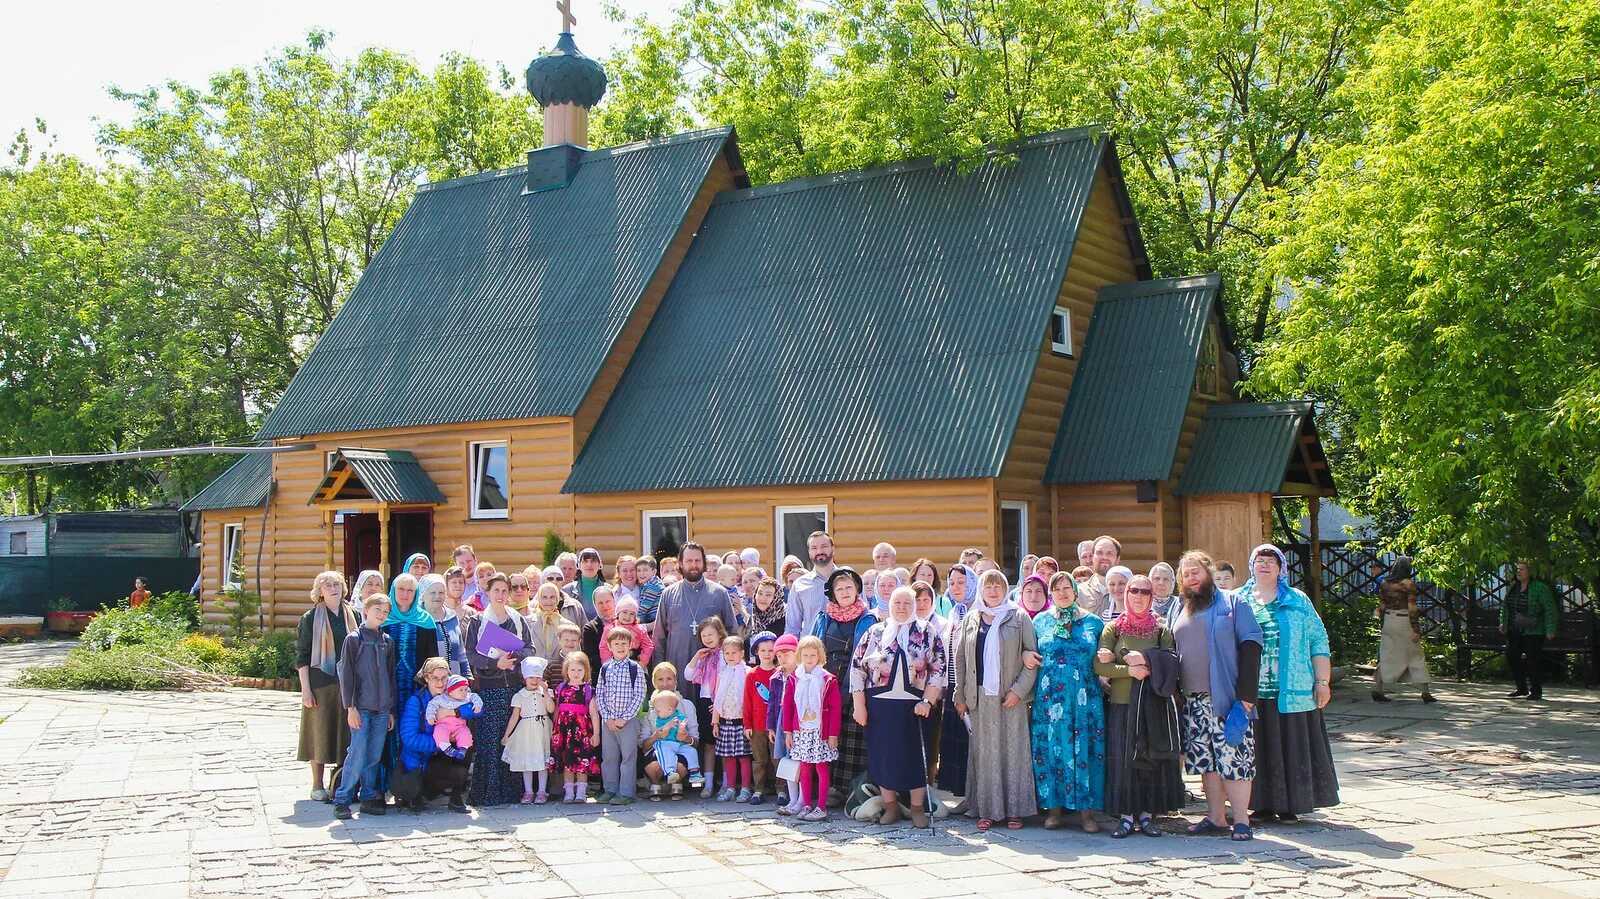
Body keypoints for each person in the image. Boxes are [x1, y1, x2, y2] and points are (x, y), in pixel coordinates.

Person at [1238, 544, 1340, 823]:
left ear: (1281, 568)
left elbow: (1318, 640)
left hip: (1293, 690)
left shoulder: (1298, 600)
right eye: (1259, 559)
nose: (1265, 565)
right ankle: (1259, 804)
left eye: (1272, 561)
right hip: (1251, 690)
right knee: (1257, 746)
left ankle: (1289, 804)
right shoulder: (1238, 600)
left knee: (1290, 745)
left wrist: (1322, 681)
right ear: (1251, 565)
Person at [1173, 550, 1263, 841]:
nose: (1191, 577)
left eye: (1196, 570)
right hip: (1193, 700)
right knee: (1206, 760)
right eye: (1186, 573)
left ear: (1209, 572)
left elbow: (1252, 645)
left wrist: (1247, 697)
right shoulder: (1180, 608)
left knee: (1235, 759)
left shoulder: (1234, 602)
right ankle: (1215, 817)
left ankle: (1241, 821)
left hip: (1226, 699)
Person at [1095, 574, 1183, 837]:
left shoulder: (1160, 629)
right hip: (1122, 704)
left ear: (1151, 596)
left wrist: (1144, 660)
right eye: (1134, 590)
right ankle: (1125, 817)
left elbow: (1171, 663)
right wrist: (1129, 670)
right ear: (1126, 593)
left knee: (1150, 761)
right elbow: (1099, 665)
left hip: (1153, 704)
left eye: (1145, 592)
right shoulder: (1114, 628)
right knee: (1123, 761)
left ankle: (1146, 816)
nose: (1138, 596)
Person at [850, 585, 945, 828]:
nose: (901, 608)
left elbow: (938, 669)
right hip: (879, 705)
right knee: (884, 755)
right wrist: (859, 706)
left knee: (914, 756)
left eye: (906, 603)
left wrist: (927, 701)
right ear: (889, 605)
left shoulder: (927, 631)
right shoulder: (875, 632)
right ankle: (890, 807)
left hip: (915, 706)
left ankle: (916, 809)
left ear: (914, 606)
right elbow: (857, 669)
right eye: (897, 603)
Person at [953, 569, 1039, 831]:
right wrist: (960, 696)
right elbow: (961, 660)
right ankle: (987, 809)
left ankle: (1015, 810)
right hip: (979, 696)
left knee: (1014, 752)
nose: (993, 591)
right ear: (981, 590)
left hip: (1010, 695)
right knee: (985, 754)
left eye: (998, 586)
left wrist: (1018, 691)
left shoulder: (1018, 616)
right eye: (988, 587)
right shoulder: (971, 618)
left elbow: (1031, 658)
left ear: (1005, 589)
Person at [1032, 571, 1105, 832]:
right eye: (1057, 589)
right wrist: (1025, 656)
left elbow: (1102, 657)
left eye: (1067, 588)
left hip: (1085, 699)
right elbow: (1030, 651)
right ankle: (1054, 810)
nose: (1062, 593)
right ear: (1051, 594)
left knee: (1085, 749)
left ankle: (1087, 814)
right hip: (1050, 700)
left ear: (1075, 591)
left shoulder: (1094, 623)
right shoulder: (1040, 621)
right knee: (1053, 750)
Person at [462, 574, 532, 806]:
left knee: (511, 740)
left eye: (505, 591)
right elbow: (470, 654)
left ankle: (511, 792)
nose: (501, 595)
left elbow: (529, 649)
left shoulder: (517, 620)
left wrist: (512, 656)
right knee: (489, 742)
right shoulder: (477, 621)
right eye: (496, 591)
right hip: (489, 689)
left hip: (513, 687)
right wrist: (495, 663)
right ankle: (488, 793)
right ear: (488, 593)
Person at [810, 567, 877, 795]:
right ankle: (828, 788)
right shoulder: (823, 618)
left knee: (851, 737)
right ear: (833, 593)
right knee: (828, 733)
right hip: (826, 685)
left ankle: (851, 789)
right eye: (840, 588)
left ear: (857, 590)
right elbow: (811, 648)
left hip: (856, 685)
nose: (845, 591)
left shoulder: (869, 619)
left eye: (849, 587)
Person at [332, 593, 396, 820]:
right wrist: (350, 707)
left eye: (385, 611)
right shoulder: (354, 639)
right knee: (357, 754)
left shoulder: (387, 641)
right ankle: (342, 799)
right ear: (366, 610)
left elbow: (391, 676)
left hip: (381, 709)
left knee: (373, 755)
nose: (381, 614)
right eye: (377, 609)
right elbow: (346, 675)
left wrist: (390, 709)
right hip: (361, 707)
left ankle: (368, 796)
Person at [655, 542, 737, 708]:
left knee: (708, 723)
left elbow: (732, 633)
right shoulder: (668, 594)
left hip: (712, 672)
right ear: (680, 563)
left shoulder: (719, 593)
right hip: (678, 666)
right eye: (689, 561)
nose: (694, 565)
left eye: (698, 561)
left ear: (704, 563)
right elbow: (659, 638)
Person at [297, 571, 355, 802]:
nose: (333, 588)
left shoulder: (354, 615)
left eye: (337, 584)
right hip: (321, 684)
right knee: (319, 734)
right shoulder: (310, 618)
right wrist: (306, 690)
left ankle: (341, 782)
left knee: (346, 735)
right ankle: (317, 785)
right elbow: (302, 656)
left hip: (348, 684)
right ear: (319, 591)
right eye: (327, 585)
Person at [396, 657, 475, 814]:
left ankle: (455, 798)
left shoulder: (453, 695)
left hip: (441, 755)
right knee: (454, 758)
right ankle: (419, 794)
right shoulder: (416, 701)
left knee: (467, 744)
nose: (440, 683)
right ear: (426, 678)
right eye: (435, 678)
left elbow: (475, 707)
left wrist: (454, 712)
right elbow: (409, 738)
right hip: (423, 759)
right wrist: (441, 742)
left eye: (444, 678)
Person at [382, 573, 439, 792]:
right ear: (393, 592)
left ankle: (413, 788)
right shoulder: (384, 619)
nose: (405, 595)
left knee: (415, 735)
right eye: (401, 590)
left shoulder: (425, 620)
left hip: (416, 690)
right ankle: (387, 785)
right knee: (389, 735)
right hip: (388, 689)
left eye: (410, 591)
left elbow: (432, 659)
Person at [783, 635, 842, 822]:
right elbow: (788, 706)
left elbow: (835, 709)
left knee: (821, 768)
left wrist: (833, 734)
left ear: (820, 656)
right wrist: (788, 731)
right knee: (805, 768)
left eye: (813, 655)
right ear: (800, 655)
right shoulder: (794, 678)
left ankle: (821, 806)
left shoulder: (827, 679)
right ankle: (806, 803)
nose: (809, 659)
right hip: (801, 730)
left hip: (820, 731)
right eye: (806, 655)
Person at [936, 563, 978, 797]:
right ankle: (963, 796)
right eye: (951, 583)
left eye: (961, 582)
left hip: (972, 687)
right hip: (953, 686)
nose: (955, 587)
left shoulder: (980, 611)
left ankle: (977, 797)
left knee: (973, 745)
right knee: (957, 742)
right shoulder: (954, 611)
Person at [596, 628, 648, 805]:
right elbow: (600, 694)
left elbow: (639, 695)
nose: (620, 647)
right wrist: (607, 717)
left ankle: (626, 792)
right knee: (609, 757)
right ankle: (610, 789)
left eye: (623, 643)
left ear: (630, 646)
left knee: (628, 757)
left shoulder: (635, 669)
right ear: (609, 646)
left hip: (628, 721)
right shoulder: (605, 669)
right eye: (616, 644)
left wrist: (624, 718)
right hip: (608, 722)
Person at [1373, 556, 1435, 703]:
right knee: (1415, 655)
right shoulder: (1408, 584)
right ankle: (1426, 692)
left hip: (1389, 620)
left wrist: (1384, 624)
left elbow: (1381, 607)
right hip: (1404, 621)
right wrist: (1416, 629)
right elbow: (1412, 608)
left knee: (1388, 654)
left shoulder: (1385, 583)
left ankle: (1377, 688)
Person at [643, 662, 704, 800]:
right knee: (654, 765)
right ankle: (655, 784)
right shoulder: (649, 708)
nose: (665, 684)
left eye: (669, 679)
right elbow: (643, 746)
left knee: (681, 763)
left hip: (680, 748)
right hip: (659, 749)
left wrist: (686, 738)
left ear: (675, 680)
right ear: (654, 682)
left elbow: (696, 741)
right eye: (660, 679)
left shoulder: (687, 705)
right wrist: (656, 736)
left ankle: (678, 784)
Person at [688, 616, 731, 797]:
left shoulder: (726, 654)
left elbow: (730, 679)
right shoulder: (703, 656)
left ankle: (728, 783)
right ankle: (709, 783)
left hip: (724, 703)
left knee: (727, 745)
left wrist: (721, 704)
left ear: (720, 634)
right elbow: (688, 675)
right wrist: (696, 657)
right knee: (709, 744)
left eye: (711, 634)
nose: (707, 638)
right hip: (706, 702)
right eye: (703, 635)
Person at [550, 652, 601, 803]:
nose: (576, 673)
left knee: (582, 762)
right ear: (566, 670)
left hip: (582, 731)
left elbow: (594, 713)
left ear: (586, 671)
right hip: (564, 730)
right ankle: (569, 792)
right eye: (572, 670)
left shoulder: (588, 690)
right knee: (567, 762)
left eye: (580, 670)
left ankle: (581, 792)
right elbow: (557, 709)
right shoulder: (561, 688)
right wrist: (555, 731)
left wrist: (596, 734)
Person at [1502, 561, 1558, 700]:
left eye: (1522, 569)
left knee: (1532, 659)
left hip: (1534, 630)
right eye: (1517, 569)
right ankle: (1521, 688)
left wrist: (1550, 629)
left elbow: (1549, 610)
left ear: (1530, 572)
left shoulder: (1540, 588)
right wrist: (1503, 622)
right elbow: (1505, 607)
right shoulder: (1513, 587)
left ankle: (1536, 690)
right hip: (1515, 629)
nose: (1519, 572)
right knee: (1512, 656)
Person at [503, 657, 554, 804]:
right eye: (531, 676)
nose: (534, 680)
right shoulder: (519, 695)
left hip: (543, 729)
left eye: (538, 677)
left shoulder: (546, 692)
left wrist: (545, 692)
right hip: (526, 731)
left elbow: (551, 709)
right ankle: (528, 791)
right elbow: (514, 717)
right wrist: (507, 734)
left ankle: (542, 791)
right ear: (524, 677)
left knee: (543, 761)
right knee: (527, 762)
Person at [712, 635, 754, 802]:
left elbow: (750, 699)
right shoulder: (722, 674)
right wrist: (715, 721)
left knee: (744, 757)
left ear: (742, 653)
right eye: (727, 653)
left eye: (734, 652)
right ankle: (730, 787)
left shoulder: (747, 672)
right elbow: (717, 699)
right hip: (726, 722)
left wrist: (748, 723)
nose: (730, 656)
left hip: (742, 722)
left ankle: (745, 788)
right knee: (728, 757)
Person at [743, 631, 779, 804]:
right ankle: (759, 789)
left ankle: (781, 789)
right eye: (763, 650)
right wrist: (747, 724)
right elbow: (747, 701)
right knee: (759, 759)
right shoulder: (752, 675)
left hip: (775, 726)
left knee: (776, 758)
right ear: (756, 652)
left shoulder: (780, 673)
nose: (767, 654)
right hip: (756, 725)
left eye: (771, 650)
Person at [768, 634, 802, 814]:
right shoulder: (776, 677)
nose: (782, 659)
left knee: (799, 758)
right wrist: (771, 726)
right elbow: (772, 703)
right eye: (779, 655)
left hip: (797, 719)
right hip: (781, 718)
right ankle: (792, 798)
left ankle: (803, 799)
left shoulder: (801, 675)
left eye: (786, 654)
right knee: (787, 759)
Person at [417, 574, 469, 681]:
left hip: (455, 682)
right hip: (430, 683)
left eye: (441, 592)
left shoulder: (452, 617)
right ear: (423, 594)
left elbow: (461, 651)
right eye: (433, 592)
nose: (437, 596)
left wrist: (467, 674)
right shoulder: (418, 620)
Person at [785, 531, 837, 637]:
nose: (819, 551)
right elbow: (792, 628)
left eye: (824, 546)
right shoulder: (799, 585)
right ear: (809, 553)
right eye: (814, 548)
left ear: (833, 549)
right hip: (810, 650)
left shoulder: (849, 580)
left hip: (843, 650)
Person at [426, 675, 482, 759]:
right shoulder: (441, 699)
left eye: (466, 689)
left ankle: (463, 749)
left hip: (459, 725)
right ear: (450, 692)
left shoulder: (466, 697)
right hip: (443, 724)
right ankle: (447, 749)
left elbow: (475, 697)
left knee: (465, 733)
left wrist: (478, 705)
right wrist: (430, 717)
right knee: (439, 733)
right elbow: (431, 705)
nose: (464, 692)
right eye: (460, 690)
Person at [581, 585, 619, 672]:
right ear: (595, 605)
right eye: (600, 603)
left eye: (608, 601)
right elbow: (591, 657)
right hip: (601, 674)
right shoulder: (589, 628)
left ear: (614, 601)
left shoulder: (624, 622)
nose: (604, 605)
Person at [1081, 536, 1122, 617]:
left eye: (1109, 553)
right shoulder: (1079, 592)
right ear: (1093, 557)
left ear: (1118, 559)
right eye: (1099, 553)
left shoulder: (1128, 591)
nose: (1104, 557)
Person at [610, 597, 655, 665]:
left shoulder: (639, 629)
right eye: (624, 612)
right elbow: (604, 647)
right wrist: (607, 662)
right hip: (614, 663)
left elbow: (648, 646)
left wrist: (643, 661)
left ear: (635, 617)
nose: (628, 616)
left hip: (634, 661)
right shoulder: (610, 629)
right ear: (618, 614)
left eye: (632, 614)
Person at [635, 556, 665, 625]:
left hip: (654, 619)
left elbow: (645, 606)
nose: (641, 573)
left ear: (654, 571)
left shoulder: (653, 586)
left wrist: (636, 621)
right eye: (638, 570)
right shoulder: (646, 584)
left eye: (645, 570)